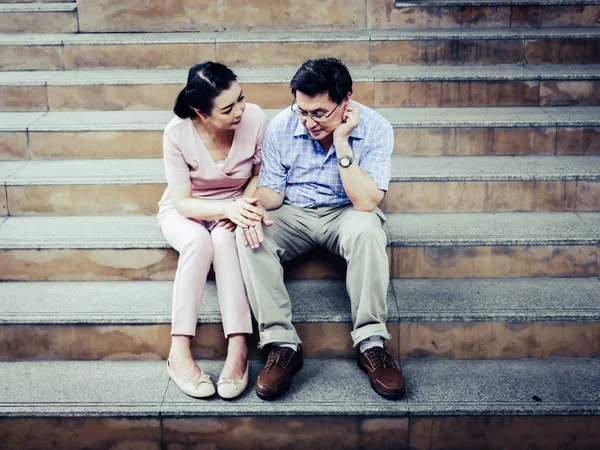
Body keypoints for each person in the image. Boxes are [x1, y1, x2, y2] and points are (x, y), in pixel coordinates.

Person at [235, 57, 405, 401]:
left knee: (368, 231)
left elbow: (365, 202)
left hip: (346, 211)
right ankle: (281, 344)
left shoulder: (376, 128)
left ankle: (371, 342)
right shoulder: (282, 126)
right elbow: (274, 191)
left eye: (320, 113)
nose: (309, 121)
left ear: (346, 101)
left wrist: (342, 141)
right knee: (250, 233)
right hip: (294, 211)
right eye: (302, 110)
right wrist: (252, 203)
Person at [157, 62, 267, 400]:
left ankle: (239, 347)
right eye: (228, 108)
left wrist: (242, 207)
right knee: (196, 242)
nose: (240, 110)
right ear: (201, 113)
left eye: (241, 99)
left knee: (224, 238)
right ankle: (179, 351)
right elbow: (183, 202)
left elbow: (261, 175)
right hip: (189, 208)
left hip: (237, 202)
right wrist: (224, 209)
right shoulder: (176, 133)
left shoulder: (256, 118)